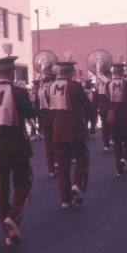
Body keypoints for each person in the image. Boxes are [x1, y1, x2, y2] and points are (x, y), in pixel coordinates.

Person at [0, 44, 35, 246]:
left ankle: (7, 234)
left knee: (1, 189)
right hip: (16, 142)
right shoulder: (19, 91)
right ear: (12, 72)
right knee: (24, 182)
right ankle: (12, 218)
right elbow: (30, 113)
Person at [49, 52, 94, 207]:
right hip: (74, 129)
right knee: (82, 158)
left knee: (62, 165)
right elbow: (88, 106)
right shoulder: (75, 86)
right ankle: (76, 184)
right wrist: (91, 121)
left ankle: (65, 200)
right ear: (71, 72)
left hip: (57, 130)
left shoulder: (51, 87)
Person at [106, 58, 127, 176]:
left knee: (117, 142)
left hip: (114, 116)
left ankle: (118, 170)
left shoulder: (108, 84)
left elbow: (107, 96)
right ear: (123, 71)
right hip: (126, 115)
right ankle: (126, 159)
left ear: (113, 72)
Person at [38, 69, 57, 178]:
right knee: (57, 141)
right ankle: (57, 162)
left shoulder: (41, 88)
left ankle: (51, 169)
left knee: (48, 144)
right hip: (52, 114)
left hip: (44, 115)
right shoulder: (52, 87)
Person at [97, 69, 112, 150]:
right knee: (111, 125)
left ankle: (106, 144)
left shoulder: (99, 85)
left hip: (102, 108)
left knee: (105, 127)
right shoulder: (109, 83)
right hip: (109, 109)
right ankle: (111, 141)